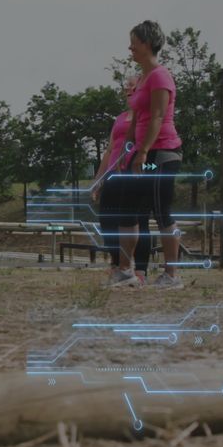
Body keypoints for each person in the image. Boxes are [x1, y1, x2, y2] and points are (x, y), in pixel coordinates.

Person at [115, 20, 184, 289]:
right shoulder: (143, 78)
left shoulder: (160, 76)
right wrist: (126, 149)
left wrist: (143, 151)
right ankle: (125, 270)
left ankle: (172, 274)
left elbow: (157, 116)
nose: (129, 47)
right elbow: (138, 119)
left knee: (161, 209)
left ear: (146, 44)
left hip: (162, 153)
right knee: (127, 210)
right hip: (142, 152)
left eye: (133, 41)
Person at [92, 75, 151, 287]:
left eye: (133, 86)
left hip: (136, 173)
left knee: (138, 222)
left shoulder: (148, 117)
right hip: (113, 176)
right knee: (108, 221)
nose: (128, 89)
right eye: (126, 87)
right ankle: (117, 266)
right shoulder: (119, 119)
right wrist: (98, 180)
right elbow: (109, 150)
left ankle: (141, 269)